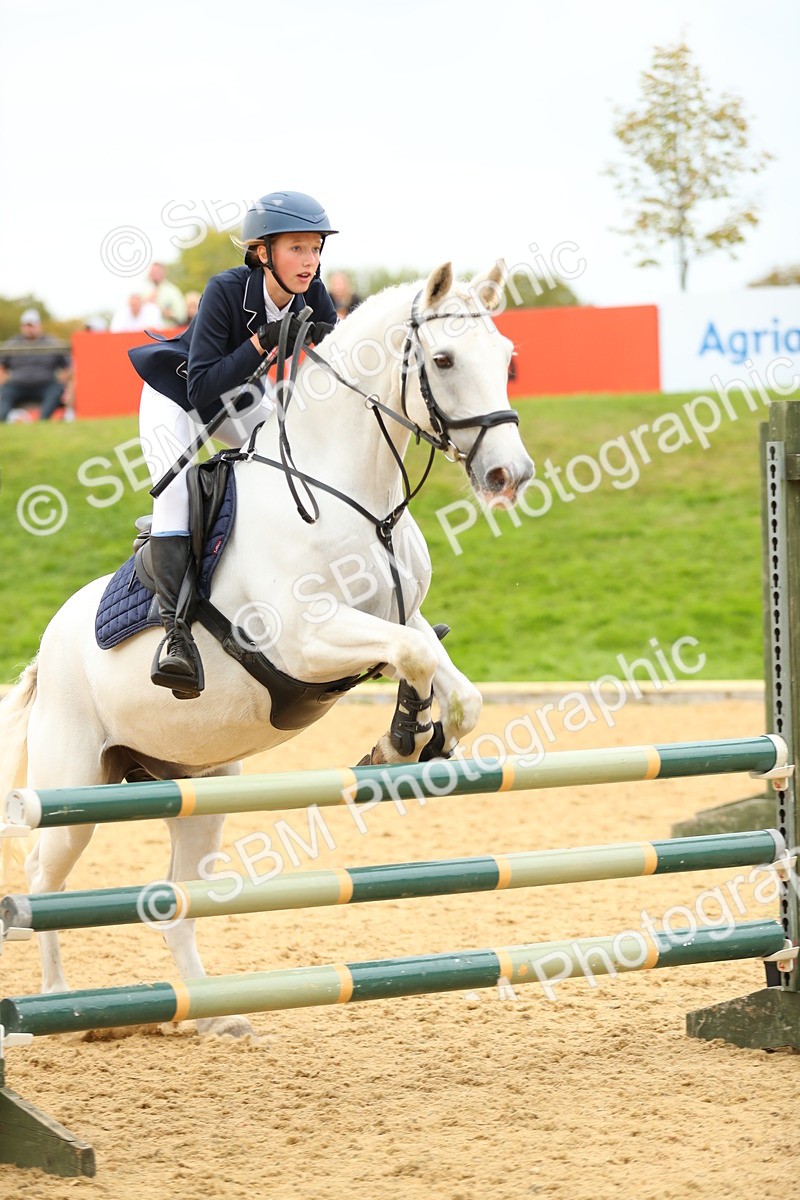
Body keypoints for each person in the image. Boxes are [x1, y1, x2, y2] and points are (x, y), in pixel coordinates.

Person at [129, 190, 338, 698]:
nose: (309, 262)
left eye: (315, 249)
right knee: (176, 495)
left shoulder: (313, 292)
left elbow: (332, 341)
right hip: (176, 397)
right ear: (262, 252)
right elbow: (201, 390)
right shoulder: (226, 289)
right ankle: (176, 636)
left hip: (241, 397)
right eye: (296, 249)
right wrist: (263, 342)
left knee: (285, 466)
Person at [0, 309, 71, 422]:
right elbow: (2, 367)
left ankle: (42, 421)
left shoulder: (52, 343)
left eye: (32, 325)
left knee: (56, 390)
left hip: (45, 385)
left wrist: (62, 381)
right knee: (5, 392)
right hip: (18, 385)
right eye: (26, 326)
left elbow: (68, 366)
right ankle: (2, 422)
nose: (29, 329)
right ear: (21, 326)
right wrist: (3, 382)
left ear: (39, 326)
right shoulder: (12, 344)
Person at [142, 262, 187, 328]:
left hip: (167, 333)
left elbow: (181, 316)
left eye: (157, 272)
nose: (154, 274)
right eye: (153, 272)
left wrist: (162, 311)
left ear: (164, 273)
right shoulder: (142, 289)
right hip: (143, 333)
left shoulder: (173, 291)